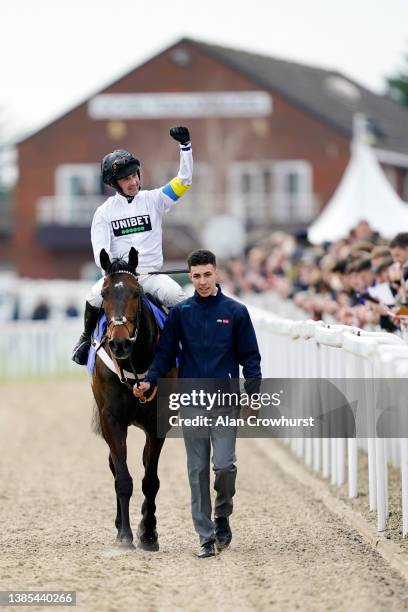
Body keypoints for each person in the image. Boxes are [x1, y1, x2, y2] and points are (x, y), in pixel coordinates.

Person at [134, 249, 262, 558]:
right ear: (190, 277)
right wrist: (150, 380)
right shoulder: (182, 313)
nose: (202, 281)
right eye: (196, 276)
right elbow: (165, 355)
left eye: (207, 274)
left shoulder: (236, 312)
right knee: (197, 469)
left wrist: (254, 396)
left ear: (216, 274)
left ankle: (222, 515)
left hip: (225, 399)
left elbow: (251, 359)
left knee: (225, 465)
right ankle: (205, 537)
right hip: (191, 400)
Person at [72, 126, 193, 365]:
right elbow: (100, 252)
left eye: (135, 175)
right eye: (126, 178)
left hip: (151, 276)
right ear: (114, 183)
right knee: (92, 297)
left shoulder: (155, 199)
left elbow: (185, 180)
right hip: (118, 278)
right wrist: (114, 268)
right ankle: (85, 339)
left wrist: (185, 147)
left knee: (177, 296)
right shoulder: (104, 212)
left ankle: (192, 344)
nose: (133, 181)